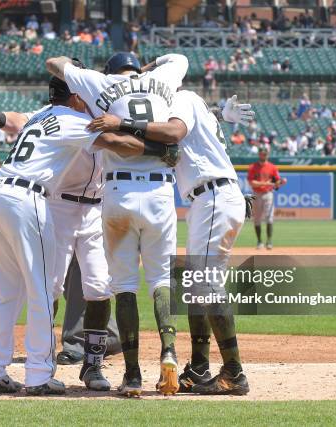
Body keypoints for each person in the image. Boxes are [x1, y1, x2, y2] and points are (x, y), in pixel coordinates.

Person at [0, 76, 177, 396]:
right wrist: (158, 148)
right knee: (43, 288)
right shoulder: (77, 119)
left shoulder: (44, 115)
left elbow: (16, 120)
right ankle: (39, 374)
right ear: (77, 98)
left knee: (26, 291)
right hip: (44, 202)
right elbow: (118, 144)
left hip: (4, 196)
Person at [89, 92, 255, 395]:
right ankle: (198, 367)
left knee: (205, 285)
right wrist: (218, 112)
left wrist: (120, 122)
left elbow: (174, 131)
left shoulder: (182, 97)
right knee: (195, 284)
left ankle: (233, 372)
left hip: (212, 195)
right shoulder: (185, 104)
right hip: (208, 197)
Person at [46, 52, 188, 396]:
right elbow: (180, 58)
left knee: (124, 285)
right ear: (137, 67)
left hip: (118, 191)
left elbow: (53, 62)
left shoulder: (100, 82)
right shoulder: (166, 79)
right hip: (159, 190)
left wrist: (82, 73)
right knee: (160, 280)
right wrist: (151, 68)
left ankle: (133, 374)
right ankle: (168, 351)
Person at [247, 147, 286, 249]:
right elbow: (252, 183)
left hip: (268, 194)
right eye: (261, 153)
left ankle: (269, 241)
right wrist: (266, 183)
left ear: (267, 155)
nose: (263, 155)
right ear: (259, 154)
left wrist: (280, 182)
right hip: (256, 194)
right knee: (257, 219)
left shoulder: (272, 167)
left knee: (269, 218)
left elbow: (276, 183)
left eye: (265, 154)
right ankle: (259, 241)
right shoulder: (253, 167)